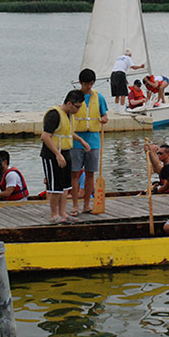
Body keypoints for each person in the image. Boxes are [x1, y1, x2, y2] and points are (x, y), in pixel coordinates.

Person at [41, 90, 90, 222]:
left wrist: (81, 141)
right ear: (69, 103)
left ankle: (63, 213)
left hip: (66, 152)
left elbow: (68, 132)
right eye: (77, 107)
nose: (78, 110)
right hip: (52, 154)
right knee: (55, 186)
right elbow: (45, 137)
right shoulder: (54, 115)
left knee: (64, 186)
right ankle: (54, 214)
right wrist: (57, 154)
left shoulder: (69, 116)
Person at [71, 69, 109, 215]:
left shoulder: (98, 97)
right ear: (80, 82)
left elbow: (104, 114)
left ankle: (87, 205)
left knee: (90, 174)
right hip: (76, 140)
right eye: (86, 83)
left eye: (91, 83)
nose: (89, 86)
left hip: (93, 140)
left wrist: (104, 118)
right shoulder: (74, 97)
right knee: (75, 174)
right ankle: (75, 205)